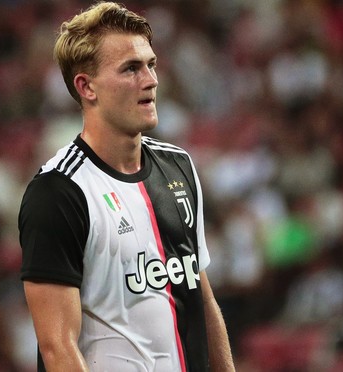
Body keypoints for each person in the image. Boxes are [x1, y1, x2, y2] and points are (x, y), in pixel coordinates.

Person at [18, 2, 235, 371]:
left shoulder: (177, 166)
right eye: (131, 69)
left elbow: (200, 293)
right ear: (87, 87)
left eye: (151, 64)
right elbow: (58, 347)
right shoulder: (58, 193)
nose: (150, 80)